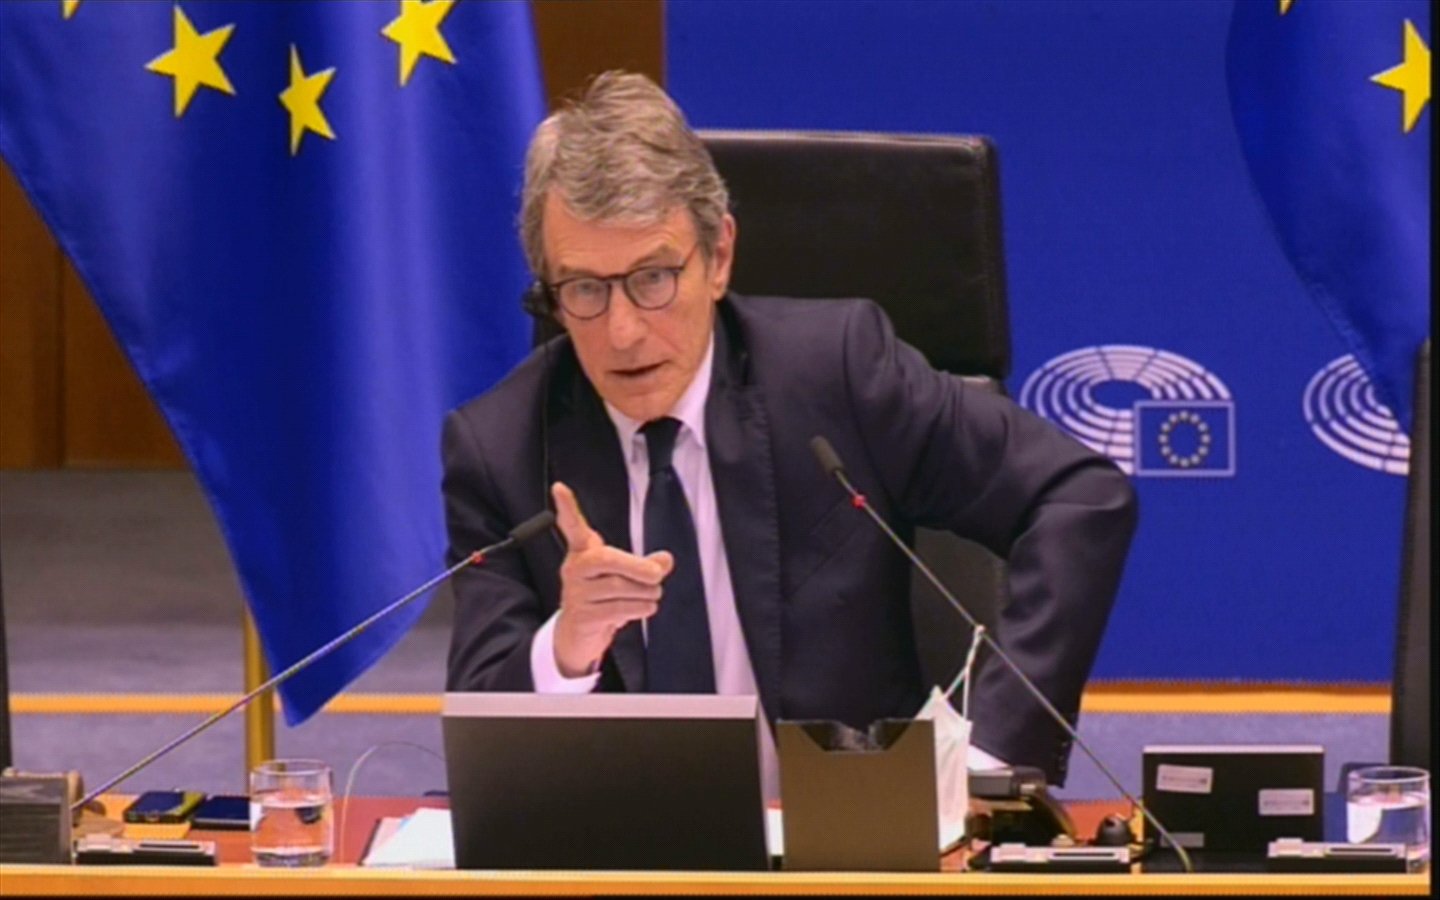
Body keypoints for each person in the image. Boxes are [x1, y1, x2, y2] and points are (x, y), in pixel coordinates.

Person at [442, 71, 1137, 797]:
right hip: (617, 843)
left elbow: (1078, 497)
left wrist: (990, 757)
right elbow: (482, 746)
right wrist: (567, 648)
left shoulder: (837, 374)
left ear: (719, 257)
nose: (622, 331)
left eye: (652, 279)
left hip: (853, 839)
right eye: (585, 288)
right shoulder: (499, 448)